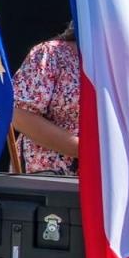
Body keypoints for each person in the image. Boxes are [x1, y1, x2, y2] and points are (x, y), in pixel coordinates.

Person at [12, 21, 80, 175]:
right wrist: (86, 150)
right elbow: (20, 115)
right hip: (53, 178)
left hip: (112, 180)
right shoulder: (51, 53)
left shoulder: (123, 64)